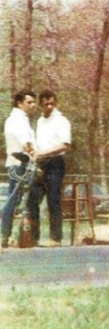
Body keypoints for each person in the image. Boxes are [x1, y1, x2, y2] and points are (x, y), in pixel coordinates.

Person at [28, 90, 71, 247]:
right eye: (46, 104)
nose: (49, 106)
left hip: (55, 163)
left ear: (56, 103)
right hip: (40, 163)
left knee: (53, 199)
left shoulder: (62, 121)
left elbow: (64, 144)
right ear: (41, 105)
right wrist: (34, 154)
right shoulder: (40, 122)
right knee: (33, 199)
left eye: (52, 103)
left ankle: (56, 238)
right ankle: (33, 237)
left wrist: (43, 153)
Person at [2, 89, 37, 248]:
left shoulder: (16, 118)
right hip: (19, 162)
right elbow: (26, 144)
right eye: (29, 102)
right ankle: (5, 234)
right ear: (19, 103)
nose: (33, 105)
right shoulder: (19, 120)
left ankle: (10, 234)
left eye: (33, 102)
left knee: (16, 200)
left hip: (19, 162)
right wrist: (35, 154)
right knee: (13, 200)